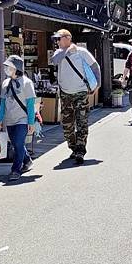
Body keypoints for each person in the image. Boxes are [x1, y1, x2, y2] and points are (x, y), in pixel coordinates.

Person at [51, 29, 101, 165]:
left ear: (67, 38)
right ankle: (73, 147)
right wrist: (67, 51)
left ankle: (80, 150)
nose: (57, 41)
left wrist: (97, 85)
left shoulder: (81, 52)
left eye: (59, 38)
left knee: (82, 122)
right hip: (65, 93)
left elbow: (95, 66)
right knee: (67, 124)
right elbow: (54, 61)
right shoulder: (59, 53)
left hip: (81, 92)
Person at [0, 55, 36, 181]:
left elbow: (30, 104)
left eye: (9, 67)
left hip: (22, 119)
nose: (7, 69)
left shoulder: (27, 83)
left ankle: (15, 170)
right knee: (16, 144)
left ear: (17, 68)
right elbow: (2, 104)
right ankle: (27, 160)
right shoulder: (5, 83)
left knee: (18, 143)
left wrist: (31, 122)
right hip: (10, 119)